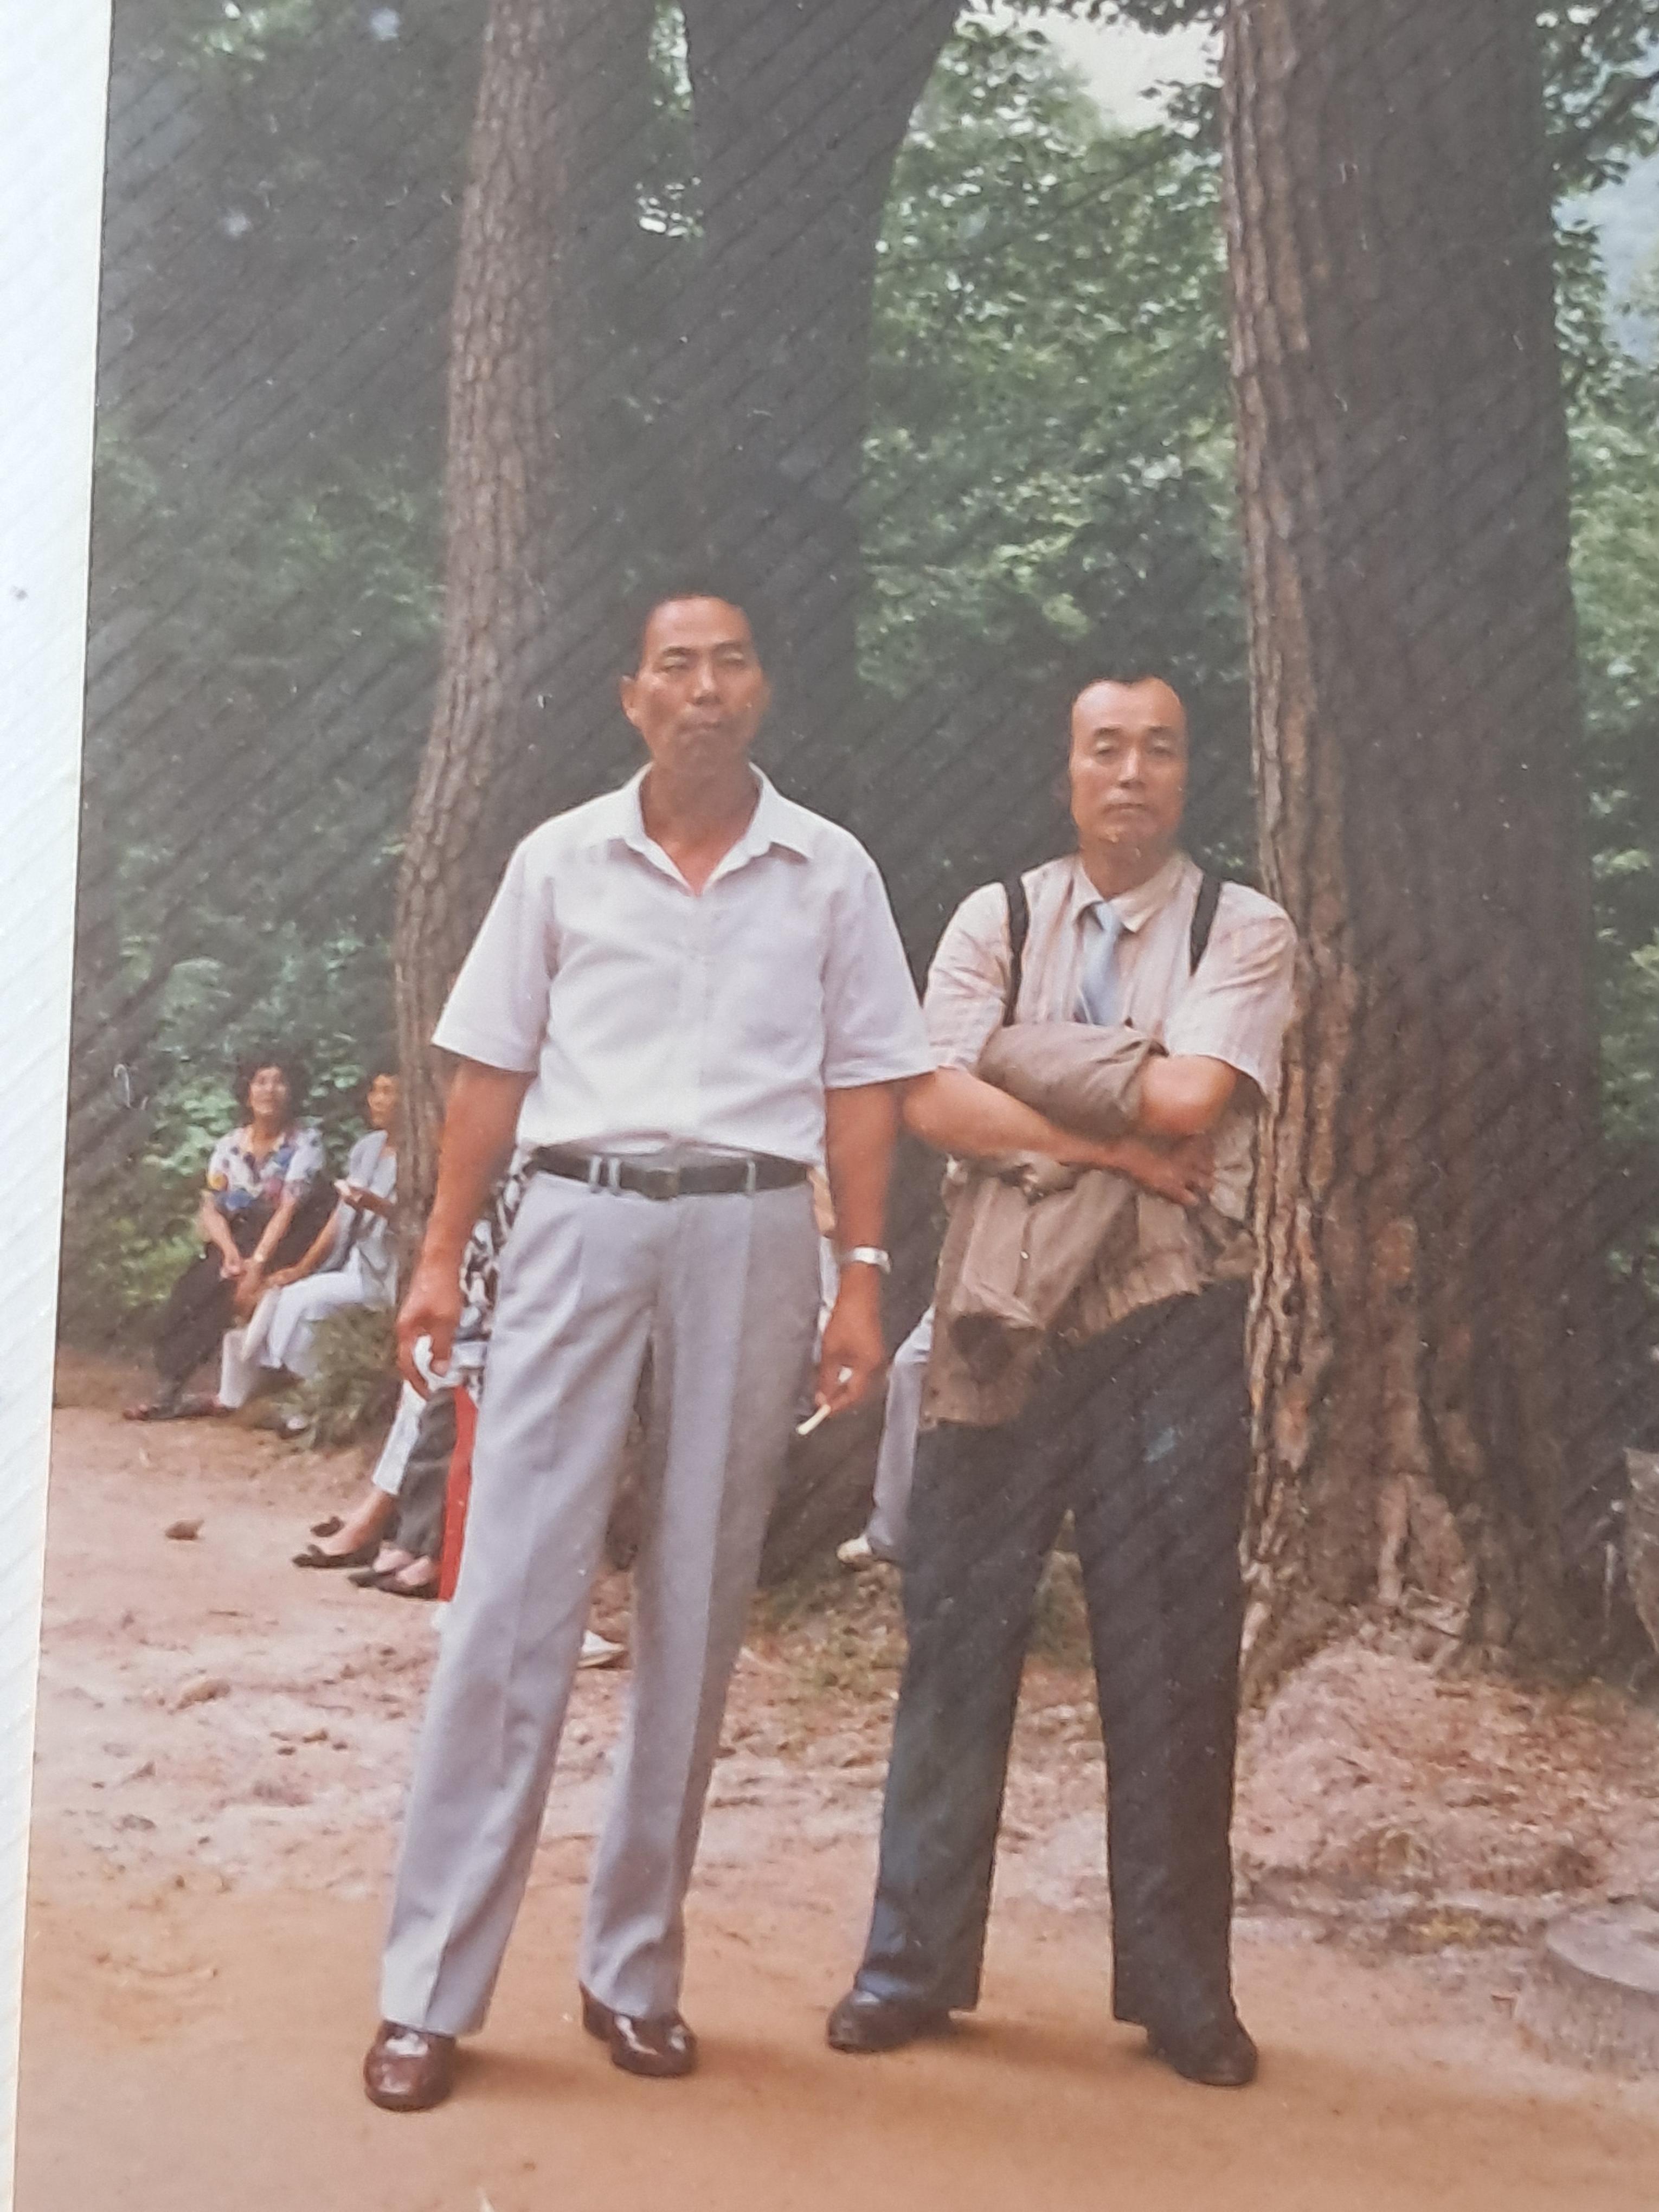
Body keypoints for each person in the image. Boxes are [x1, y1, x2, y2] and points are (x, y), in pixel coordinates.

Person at [362, 585, 1147, 2115]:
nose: (705, 689)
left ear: (761, 689)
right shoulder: (558, 859)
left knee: (698, 1595)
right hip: (578, 1215)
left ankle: (632, 1969)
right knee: (511, 1592)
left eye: (729, 663)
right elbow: (490, 1070)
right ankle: (429, 1989)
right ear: (632, 695)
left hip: (752, 1230)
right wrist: (442, 1256)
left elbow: (863, 1088)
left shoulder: (828, 870)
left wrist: (859, 1278)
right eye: (677, 665)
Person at [826, 673, 1297, 2091]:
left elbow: (1193, 1098)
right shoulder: (998, 917)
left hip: (1169, 1322)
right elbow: (926, 1096)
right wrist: (1113, 1145)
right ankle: (909, 1965)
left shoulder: (1241, 927)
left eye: (1158, 749)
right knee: (955, 1640)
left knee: (1173, 1663)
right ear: (1067, 773)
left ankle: (1181, 1991)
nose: (1131, 773)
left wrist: (1021, 1070)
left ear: (1186, 772)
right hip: (999, 1316)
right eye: (1106, 749)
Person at [124, 1051, 331, 1420]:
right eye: (261, 1082)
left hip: (287, 1237)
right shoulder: (231, 1144)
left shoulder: (305, 1142)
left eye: (279, 1082)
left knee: (230, 1292)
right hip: (237, 1235)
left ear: (293, 1091)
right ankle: (170, 1387)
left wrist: (258, 1265)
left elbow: (288, 1209)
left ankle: (234, 1393)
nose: (270, 1090)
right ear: (247, 1091)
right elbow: (211, 1206)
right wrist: (230, 1252)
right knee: (192, 1290)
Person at [219, 1067, 401, 1411]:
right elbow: (339, 1218)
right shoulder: (368, 1148)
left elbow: (417, 1222)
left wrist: (376, 1206)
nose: (377, 1101)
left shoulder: (421, 1155)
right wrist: (302, 1268)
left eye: (388, 1092)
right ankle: (292, 1390)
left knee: (301, 1303)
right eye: (374, 1091)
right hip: (352, 1261)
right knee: (286, 1293)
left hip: (388, 1269)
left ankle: (308, 1397)